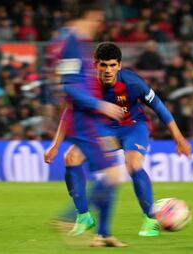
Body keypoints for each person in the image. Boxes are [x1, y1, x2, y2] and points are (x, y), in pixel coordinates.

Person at [45, 42, 192, 237]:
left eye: (113, 65)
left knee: (133, 164)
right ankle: (84, 217)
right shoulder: (86, 86)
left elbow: (159, 108)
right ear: (96, 64)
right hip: (106, 131)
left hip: (133, 127)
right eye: (104, 65)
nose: (108, 70)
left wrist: (179, 138)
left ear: (120, 65)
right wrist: (55, 146)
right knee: (70, 158)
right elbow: (69, 113)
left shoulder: (133, 82)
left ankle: (150, 219)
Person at [49, 8, 127, 247]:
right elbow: (68, 87)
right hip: (86, 122)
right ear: (88, 15)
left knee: (111, 171)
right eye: (97, 19)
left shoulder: (73, 43)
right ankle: (69, 217)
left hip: (92, 122)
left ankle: (103, 234)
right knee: (114, 175)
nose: (99, 24)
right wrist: (100, 105)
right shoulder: (71, 43)